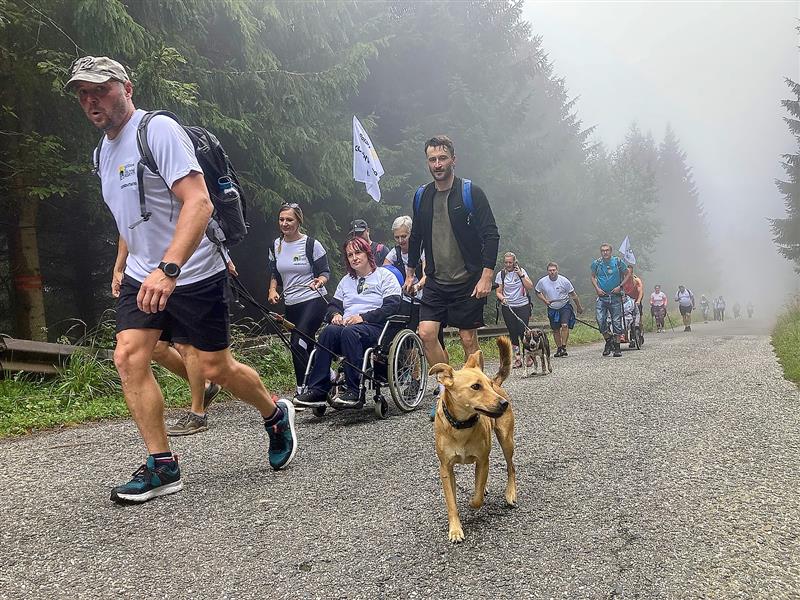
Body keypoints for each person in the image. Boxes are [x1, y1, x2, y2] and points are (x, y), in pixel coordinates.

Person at [68, 56, 297, 504]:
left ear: (126, 88)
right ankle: (162, 465)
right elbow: (129, 216)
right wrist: (122, 263)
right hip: (142, 274)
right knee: (129, 355)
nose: (92, 100)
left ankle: (273, 413)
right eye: (83, 93)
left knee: (214, 368)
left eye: (101, 89)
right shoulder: (102, 152)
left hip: (192, 271)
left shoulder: (158, 132)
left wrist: (169, 268)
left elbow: (199, 203)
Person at [405, 135, 499, 419]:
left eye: (442, 158)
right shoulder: (422, 196)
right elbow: (417, 235)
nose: (437, 164)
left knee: (468, 339)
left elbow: (491, 234)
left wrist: (486, 276)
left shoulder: (471, 193)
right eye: (432, 159)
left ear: (453, 160)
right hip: (435, 280)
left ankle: (480, 399)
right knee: (426, 334)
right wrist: (411, 271)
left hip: (467, 281)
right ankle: (449, 394)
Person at [112, 237, 222, 435]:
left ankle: (198, 414)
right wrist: (118, 267)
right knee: (157, 347)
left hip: (187, 275)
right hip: (146, 278)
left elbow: (200, 219)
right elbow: (126, 228)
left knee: (186, 345)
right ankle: (206, 386)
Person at [294, 237, 401, 407]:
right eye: (350, 255)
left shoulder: (384, 276)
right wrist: (335, 315)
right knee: (328, 331)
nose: (354, 258)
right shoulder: (346, 281)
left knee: (350, 332)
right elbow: (332, 306)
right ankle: (319, 390)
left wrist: (363, 317)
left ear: (368, 253)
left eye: (358, 252)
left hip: (375, 327)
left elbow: (392, 306)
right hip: (348, 327)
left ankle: (354, 390)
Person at [267, 203, 330, 403]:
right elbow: (275, 272)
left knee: (298, 342)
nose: (285, 223)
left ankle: (303, 388)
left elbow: (325, 272)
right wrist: (272, 289)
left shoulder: (311, 244)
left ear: (298, 221)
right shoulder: (275, 245)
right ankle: (328, 376)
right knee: (307, 345)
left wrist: (320, 281)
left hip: (313, 299)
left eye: (289, 220)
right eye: (281, 219)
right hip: (292, 303)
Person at [534, 262, 583, 357]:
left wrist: (579, 307)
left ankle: (564, 347)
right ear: (547, 271)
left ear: (557, 270)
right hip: (552, 308)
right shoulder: (542, 281)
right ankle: (559, 348)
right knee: (555, 329)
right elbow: (537, 292)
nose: (552, 272)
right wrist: (545, 300)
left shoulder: (564, 281)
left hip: (564, 306)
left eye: (553, 270)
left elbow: (573, 295)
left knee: (564, 325)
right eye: (550, 270)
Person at [591, 243, 630, 357]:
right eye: (603, 250)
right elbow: (592, 276)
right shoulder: (596, 263)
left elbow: (627, 273)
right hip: (602, 296)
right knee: (600, 320)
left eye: (607, 250)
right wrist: (597, 288)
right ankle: (608, 340)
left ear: (611, 251)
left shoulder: (618, 262)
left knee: (616, 321)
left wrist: (621, 286)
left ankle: (617, 347)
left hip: (615, 296)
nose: (605, 252)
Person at [496, 252, 534, 367]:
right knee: (513, 333)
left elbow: (530, 287)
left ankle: (528, 356)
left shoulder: (521, 271)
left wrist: (521, 275)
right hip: (508, 307)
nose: (508, 264)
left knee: (523, 332)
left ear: (514, 262)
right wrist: (502, 299)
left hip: (523, 305)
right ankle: (517, 358)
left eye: (510, 262)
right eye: (506, 262)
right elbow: (498, 292)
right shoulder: (501, 274)